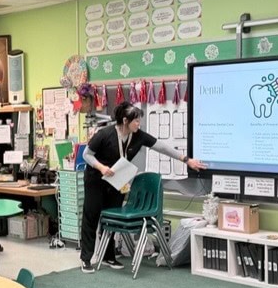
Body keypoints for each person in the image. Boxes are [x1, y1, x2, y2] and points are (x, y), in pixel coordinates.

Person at [80, 101, 207, 273]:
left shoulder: (137, 136)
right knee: (92, 216)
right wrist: (101, 167)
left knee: (111, 219)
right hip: (96, 179)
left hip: (117, 181)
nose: (139, 124)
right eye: (136, 120)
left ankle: (108, 256)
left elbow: (161, 147)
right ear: (125, 120)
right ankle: (86, 259)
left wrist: (186, 160)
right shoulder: (104, 134)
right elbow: (86, 154)